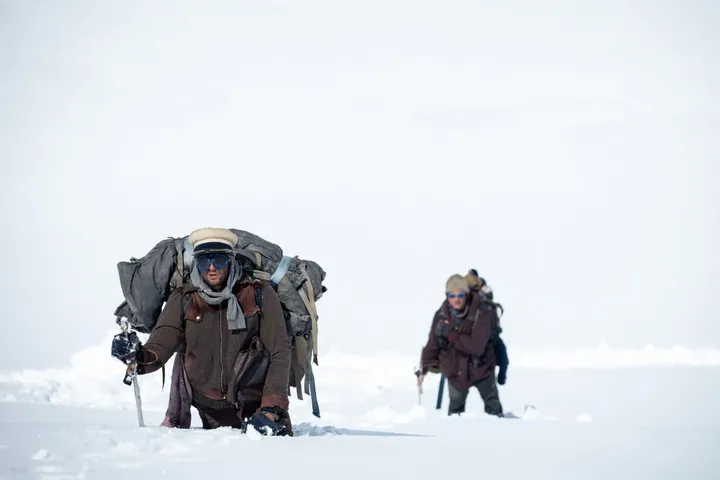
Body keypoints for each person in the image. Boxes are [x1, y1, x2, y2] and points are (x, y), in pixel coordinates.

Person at [111, 227, 293, 435]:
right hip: (209, 411)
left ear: (231, 259)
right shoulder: (183, 298)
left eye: (219, 260)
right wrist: (135, 355)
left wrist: (271, 409)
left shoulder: (259, 293)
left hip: (258, 408)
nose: (212, 267)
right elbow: (160, 344)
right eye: (205, 260)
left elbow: (280, 351)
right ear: (197, 262)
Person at [418, 274, 504, 417]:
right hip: (455, 370)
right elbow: (433, 343)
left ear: (467, 294)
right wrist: (424, 368)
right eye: (451, 295)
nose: (456, 299)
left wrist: (451, 334)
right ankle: (454, 438)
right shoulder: (441, 315)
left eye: (460, 295)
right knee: (455, 412)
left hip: (482, 369)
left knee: (493, 409)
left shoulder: (481, 312)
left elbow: (476, 347)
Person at [465, 269, 508, 385]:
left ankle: (501, 376)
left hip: (489, 334)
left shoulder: (484, 289)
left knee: (503, 354)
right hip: (473, 335)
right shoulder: (464, 292)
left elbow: (489, 296)